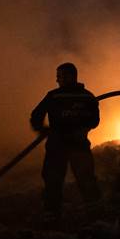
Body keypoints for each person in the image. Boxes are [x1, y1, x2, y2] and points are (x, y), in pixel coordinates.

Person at [30, 62, 102, 218]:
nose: (58, 80)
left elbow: (36, 116)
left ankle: (52, 214)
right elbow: (95, 121)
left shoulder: (53, 96)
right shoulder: (88, 97)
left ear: (70, 76)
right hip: (78, 145)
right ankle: (94, 213)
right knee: (86, 178)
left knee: (53, 180)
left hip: (58, 146)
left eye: (60, 76)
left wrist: (45, 131)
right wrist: (82, 129)